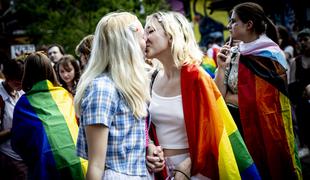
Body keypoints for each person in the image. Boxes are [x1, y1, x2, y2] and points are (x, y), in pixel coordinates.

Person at [145, 11, 260, 179]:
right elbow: (146, 128)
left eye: (150, 31)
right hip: (160, 172)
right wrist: (151, 147)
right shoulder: (151, 79)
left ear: (171, 35)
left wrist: (188, 165)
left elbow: (214, 129)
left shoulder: (196, 77)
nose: (144, 38)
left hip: (198, 171)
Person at [215, 2, 302, 179]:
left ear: (249, 25)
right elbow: (217, 96)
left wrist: (229, 98)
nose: (229, 26)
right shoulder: (232, 53)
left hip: (265, 131)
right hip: (237, 130)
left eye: (233, 22)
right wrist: (222, 67)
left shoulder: (271, 56)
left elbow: (267, 103)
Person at [74, 12, 155, 179]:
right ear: (128, 44)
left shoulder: (126, 84)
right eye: (141, 36)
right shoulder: (102, 89)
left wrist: (150, 149)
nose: (145, 41)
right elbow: (96, 165)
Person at [11, 52, 87, 179]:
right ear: (51, 70)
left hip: (46, 169)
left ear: (27, 73)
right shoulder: (65, 95)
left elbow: (18, 143)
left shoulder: (23, 103)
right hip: (79, 164)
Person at [0, 58, 27, 180]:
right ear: (7, 78)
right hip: (9, 156)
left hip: (26, 155)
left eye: (23, 82)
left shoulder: (21, 92)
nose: (21, 87)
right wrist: (13, 130)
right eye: (17, 83)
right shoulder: (1, 99)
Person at [289, 28, 310, 158]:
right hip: (302, 106)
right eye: (300, 40)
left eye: (306, 39)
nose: (303, 43)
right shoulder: (295, 62)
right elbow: (291, 87)